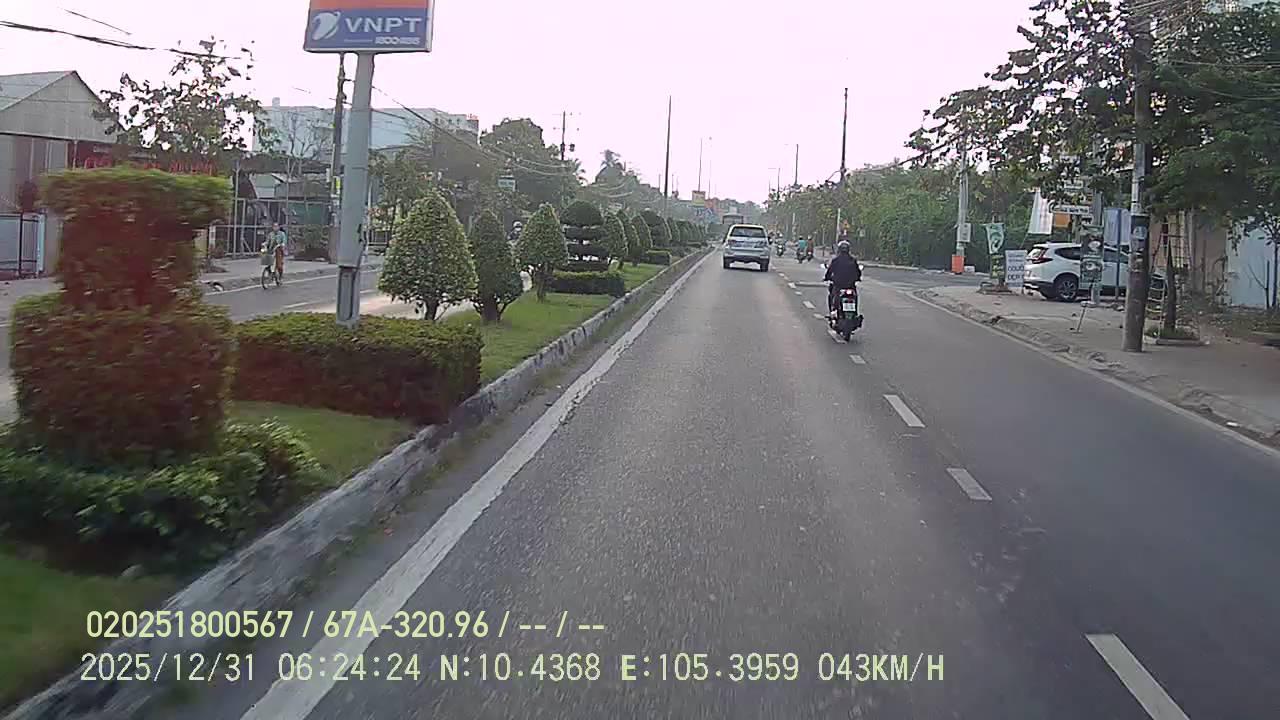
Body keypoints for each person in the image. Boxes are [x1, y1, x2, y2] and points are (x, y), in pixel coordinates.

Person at [824, 240, 862, 313]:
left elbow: (829, 271)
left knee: (833, 294)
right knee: (854, 296)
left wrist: (827, 278)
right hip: (850, 285)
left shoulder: (836, 260)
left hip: (838, 285)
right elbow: (858, 272)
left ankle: (834, 310)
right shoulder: (852, 260)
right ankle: (855, 311)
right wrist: (858, 278)